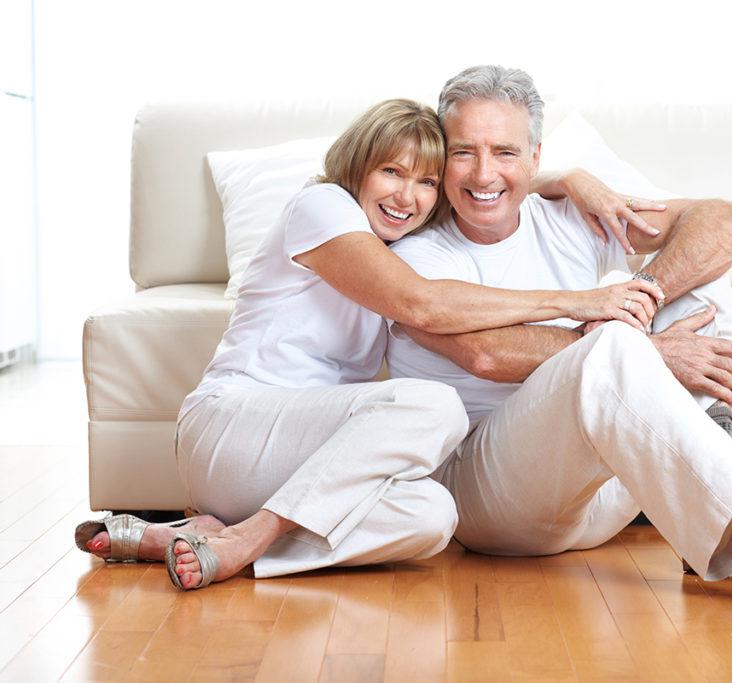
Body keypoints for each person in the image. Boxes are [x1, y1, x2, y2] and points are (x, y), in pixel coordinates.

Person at [73, 98, 666, 589]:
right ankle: (252, 539)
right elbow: (421, 304)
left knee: (434, 517)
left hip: (305, 458)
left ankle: (206, 539)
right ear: (358, 168)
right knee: (436, 407)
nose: (408, 196)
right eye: (392, 172)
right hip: (231, 428)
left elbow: (485, 190)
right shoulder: (321, 206)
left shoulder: (402, 243)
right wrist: (576, 302)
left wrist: (567, 178)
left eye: (426, 181)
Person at [384, 66, 732, 608]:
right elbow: (487, 353)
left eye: (506, 153)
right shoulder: (412, 254)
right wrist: (650, 352)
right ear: (439, 157)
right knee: (613, 343)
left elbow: (729, 219)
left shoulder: (573, 216)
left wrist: (646, 290)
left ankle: (714, 504)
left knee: (695, 274)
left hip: (604, 497)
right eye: (464, 151)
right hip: (493, 501)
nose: (484, 173)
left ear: (536, 157)